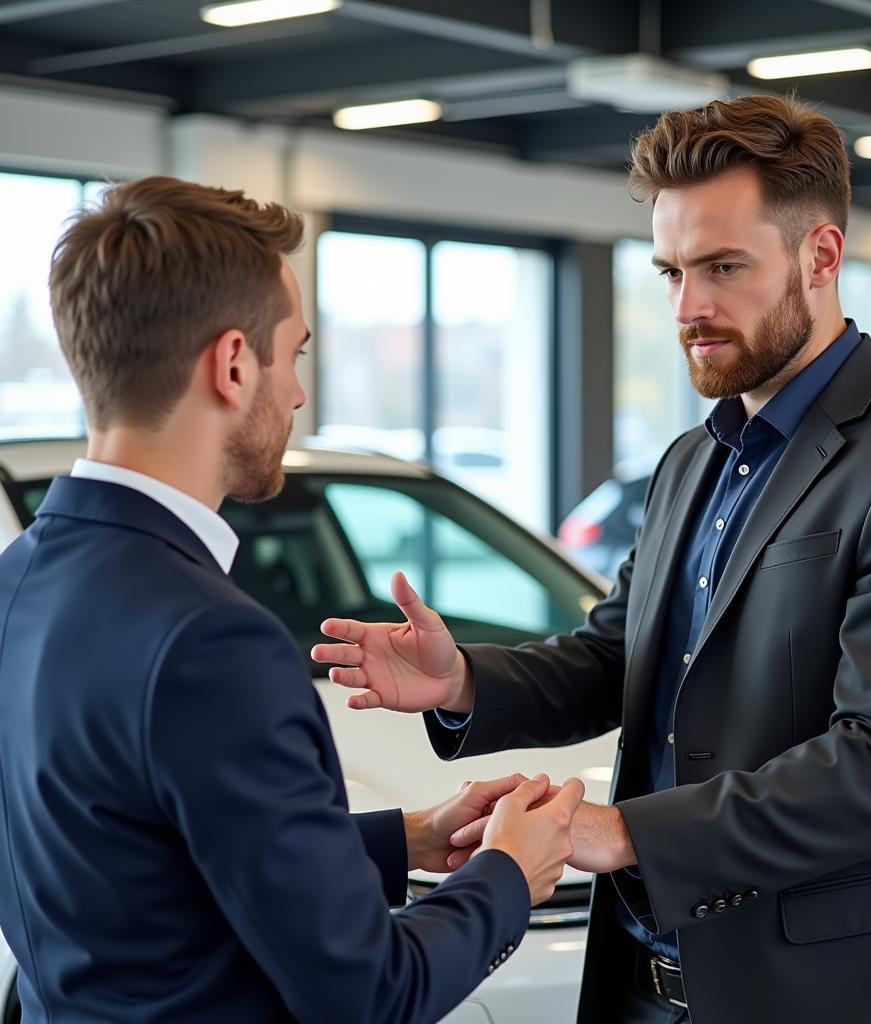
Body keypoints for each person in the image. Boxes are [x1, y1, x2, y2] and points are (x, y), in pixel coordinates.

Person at [312, 95, 871, 1024]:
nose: (690, 307)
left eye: (724, 267)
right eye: (671, 272)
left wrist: (618, 831)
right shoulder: (695, 459)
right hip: (647, 984)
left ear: (821, 256)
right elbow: (621, 655)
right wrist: (462, 683)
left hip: (830, 991)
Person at [0, 175, 585, 1024]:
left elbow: (131, 859)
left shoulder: (20, 580)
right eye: (296, 353)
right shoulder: (212, 641)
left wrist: (406, 838)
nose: (301, 393)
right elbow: (368, 993)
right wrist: (509, 876)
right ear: (234, 364)